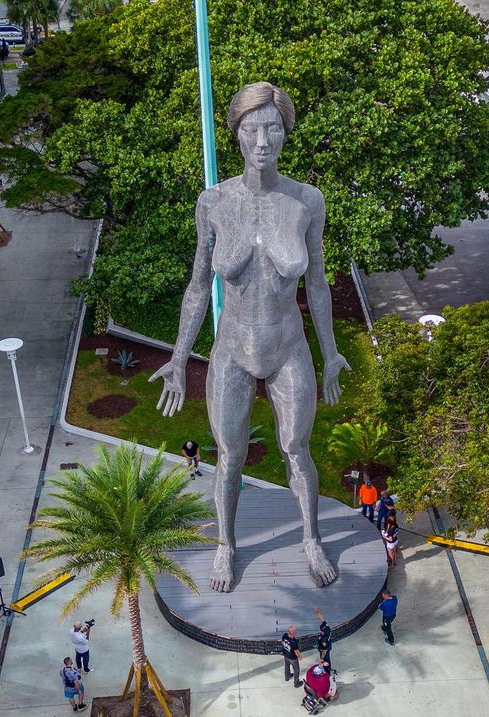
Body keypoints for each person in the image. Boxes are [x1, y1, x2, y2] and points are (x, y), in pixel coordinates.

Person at [150, 82, 350, 592]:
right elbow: (197, 286)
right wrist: (178, 359)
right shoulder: (213, 203)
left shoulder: (307, 201)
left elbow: (319, 284)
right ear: (236, 135)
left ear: (286, 134)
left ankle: (310, 537)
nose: (264, 140)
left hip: (287, 348)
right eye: (252, 129)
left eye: (274, 129)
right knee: (229, 454)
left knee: (295, 446)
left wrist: (330, 354)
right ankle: (226, 545)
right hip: (233, 351)